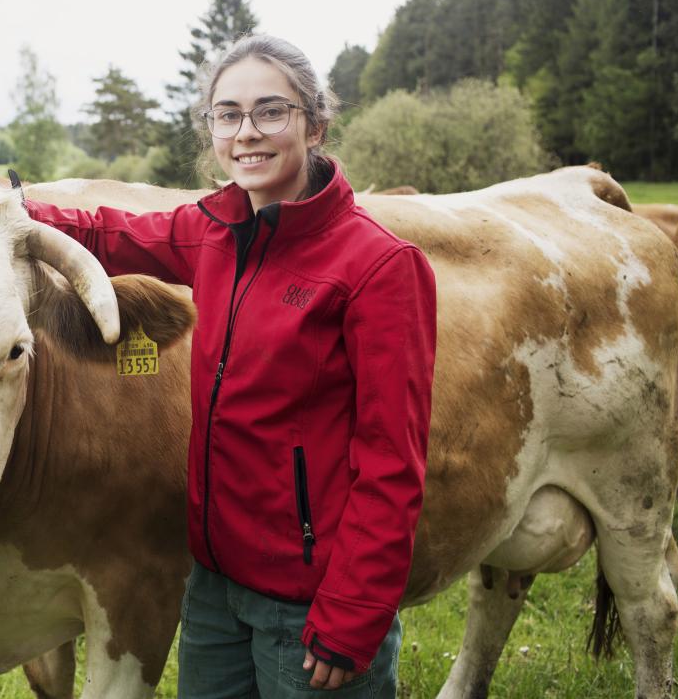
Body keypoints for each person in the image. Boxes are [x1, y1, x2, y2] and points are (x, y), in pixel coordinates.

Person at [25, 34, 437, 697]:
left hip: (310, 603)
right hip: (214, 588)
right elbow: (109, 232)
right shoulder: (214, 230)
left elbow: (393, 459)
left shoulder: (379, 266)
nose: (247, 132)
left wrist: (353, 614)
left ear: (315, 123)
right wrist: (1, 209)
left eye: (271, 111)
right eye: (228, 114)